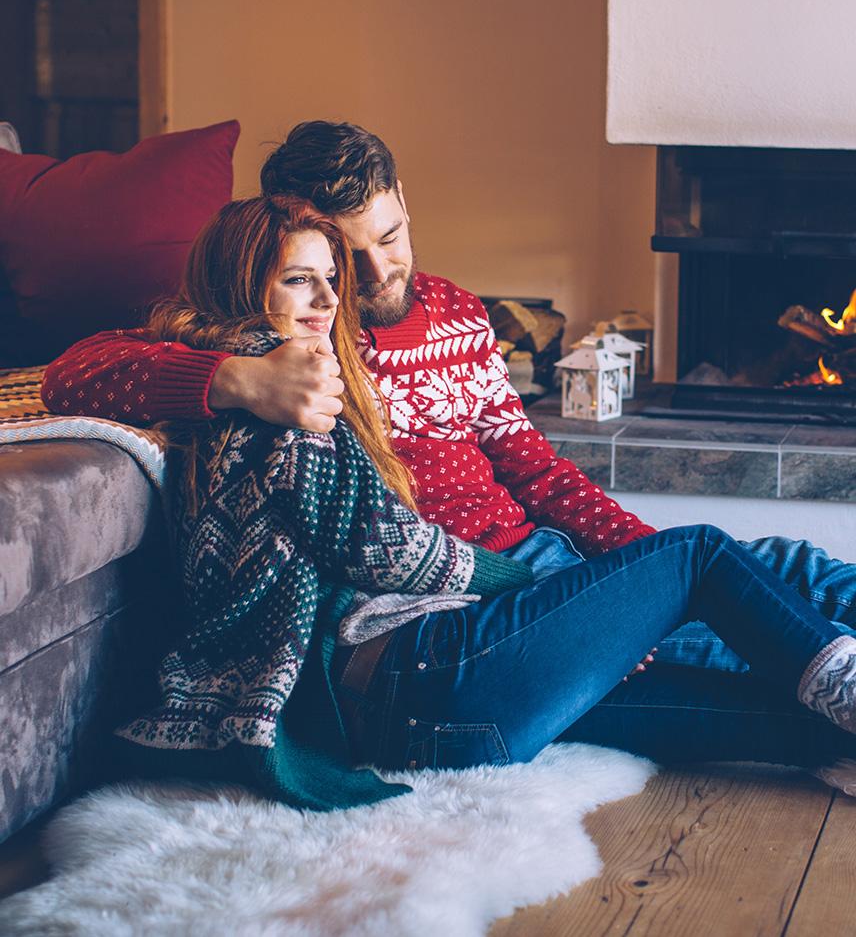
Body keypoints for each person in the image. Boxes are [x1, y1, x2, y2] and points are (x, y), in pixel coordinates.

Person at [42, 120, 856, 688]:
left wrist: (647, 558)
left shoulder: (458, 310)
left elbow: (533, 468)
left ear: (405, 199)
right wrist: (234, 380)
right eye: (347, 253)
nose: (378, 271)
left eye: (388, 236)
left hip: (543, 546)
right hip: (473, 592)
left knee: (790, 570)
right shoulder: (291, 331)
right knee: (743, 642)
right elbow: (75, 372)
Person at [111, 192, 856, 809]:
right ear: (245, 286)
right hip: (424, 671)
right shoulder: (273, 394)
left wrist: (580, 607)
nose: (332, 298)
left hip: (445, 721)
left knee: (774, 716)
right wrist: (547, 592)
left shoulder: (264, 379)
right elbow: (386, 548)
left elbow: (528, 472)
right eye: (300, 280)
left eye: (329, 277)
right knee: (698, 557)